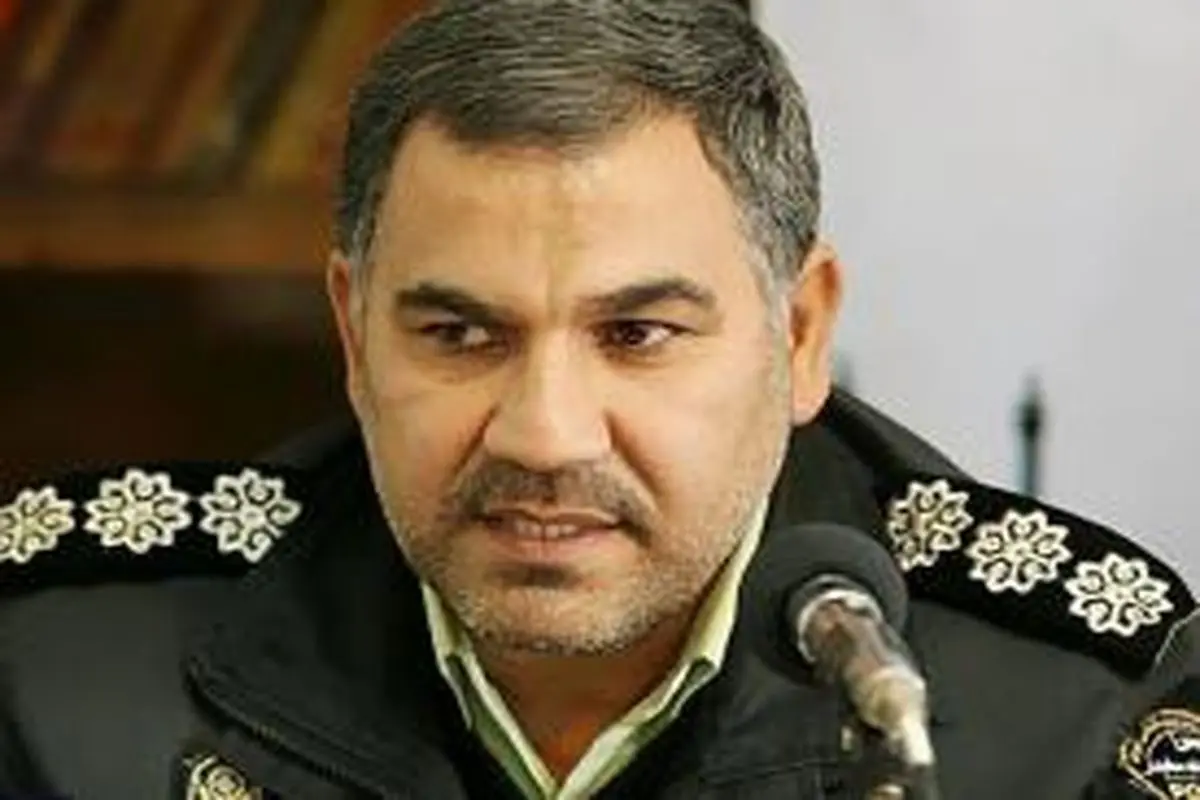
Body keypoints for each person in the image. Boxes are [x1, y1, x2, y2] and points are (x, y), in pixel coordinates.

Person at [1, 1, 1196, 797]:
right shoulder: (53, 664)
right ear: (353, 335)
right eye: (459, 334)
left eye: (637, 335)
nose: (544, 432)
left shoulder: (1085, 713)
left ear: (798, 333)